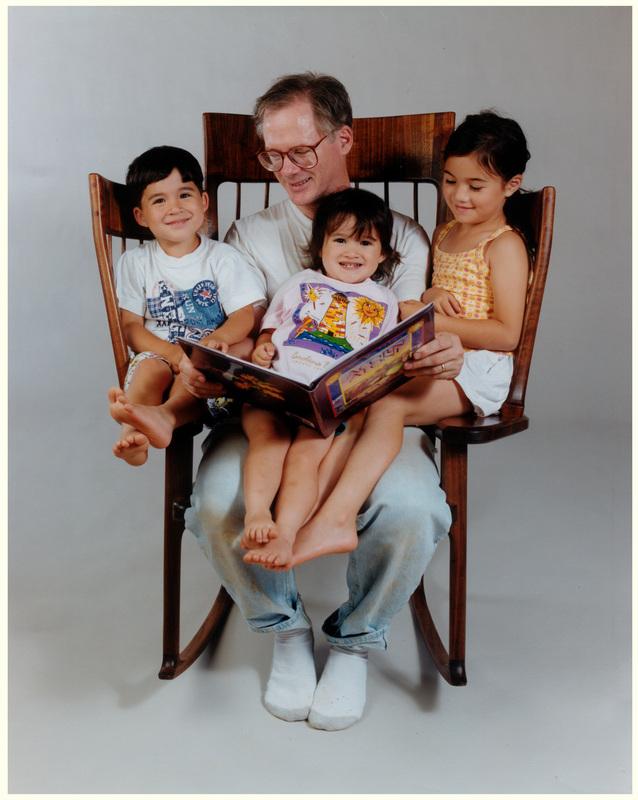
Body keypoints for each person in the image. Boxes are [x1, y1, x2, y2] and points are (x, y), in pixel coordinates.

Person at [179, 73, 465, 731]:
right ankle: (282, 627)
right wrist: (229, 361)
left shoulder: (404, 242)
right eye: (271, 155)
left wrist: (438, 354)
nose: (286, 168)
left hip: (366, 421)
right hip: (271, 420)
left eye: (301, 150)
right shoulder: (252, 236)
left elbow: (413, 342)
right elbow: (248, 331)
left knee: (414, 509)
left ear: (343, 139)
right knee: (221, 505)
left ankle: (357, 640)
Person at [293, 111, 531, 565]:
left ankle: (338, 518)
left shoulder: (504, 245)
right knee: (361, 397)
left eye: (475, 186)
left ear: (511, 185)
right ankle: (310, 511)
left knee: (387, 403)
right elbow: (445, 294)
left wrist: (424, 317)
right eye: (449, 181)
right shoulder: (447, 232)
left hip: (478, 368)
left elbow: (506, 333)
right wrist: (434, 294)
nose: (459, 195)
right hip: (436, 355)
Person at [242, 187, 408, 569]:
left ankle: (284, 534)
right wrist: (263, 346)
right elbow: (271, 325)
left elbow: (379, 356)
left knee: (303, 458)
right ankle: (257, 516)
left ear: (382, 254)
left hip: (325, 403)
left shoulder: (384, 301)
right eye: (340, 240)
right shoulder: (302, 282)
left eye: (365, 242)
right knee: (267, 442)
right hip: (278, 387)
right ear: (320, 247)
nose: (352, 251)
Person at [107, 145, 265, 466]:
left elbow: (243, 315)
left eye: (184, 195)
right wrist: (173, 354)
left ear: (203, 202)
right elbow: (132, 327)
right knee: (151, 368)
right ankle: (132, 437)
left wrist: (216, 341)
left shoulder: (222, 257)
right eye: (159, 200)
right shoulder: (135, 262)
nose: (174, 208)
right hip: (158, 354)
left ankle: (166, 416)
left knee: (193, 371)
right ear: (141, 216)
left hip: (207, 367)